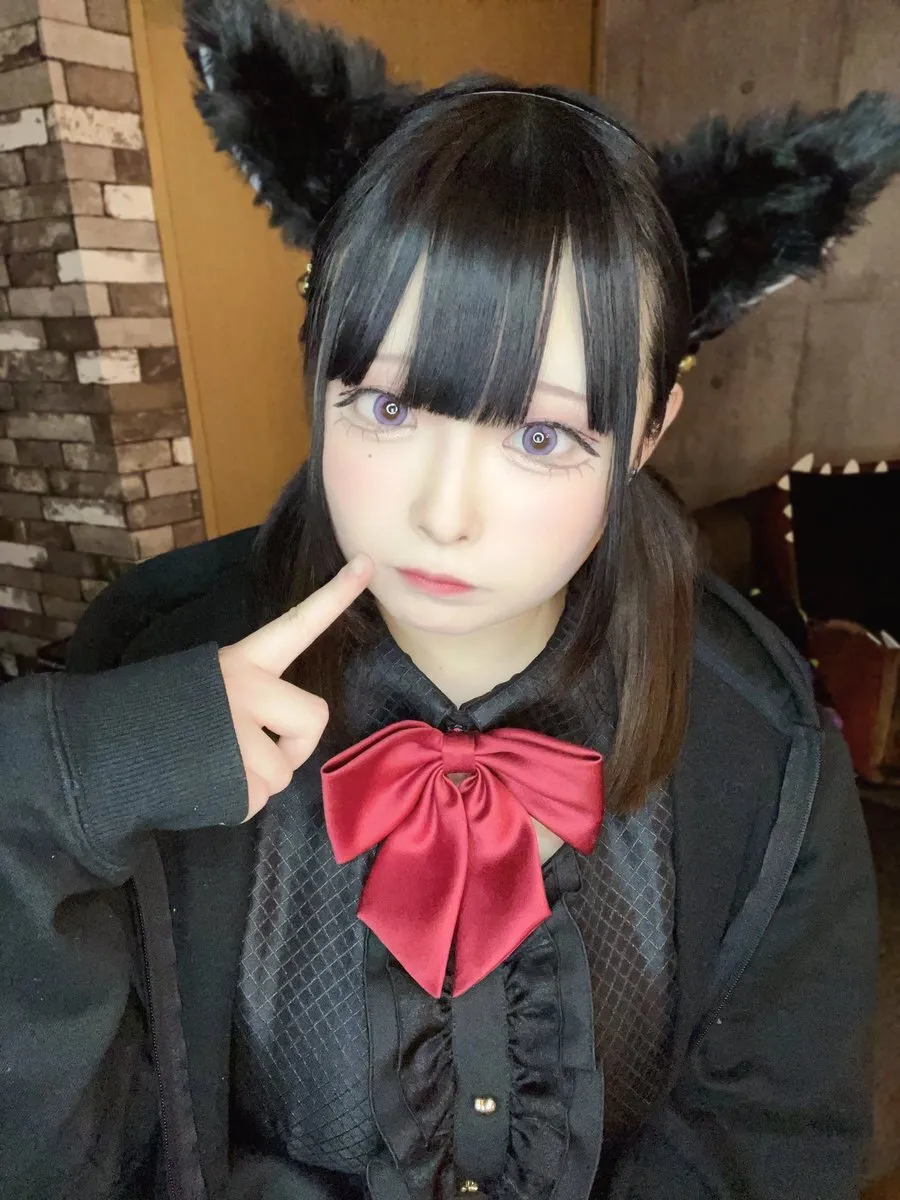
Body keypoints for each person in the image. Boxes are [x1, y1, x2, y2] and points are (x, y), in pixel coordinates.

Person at [1, 0, 897, 1196]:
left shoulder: (766, 743)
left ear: (647, 432)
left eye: (540, 435)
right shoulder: (148, 667)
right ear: (319, 372)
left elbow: (770, 1137)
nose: (444, 512)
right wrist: (73, 775)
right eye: (387, 406)